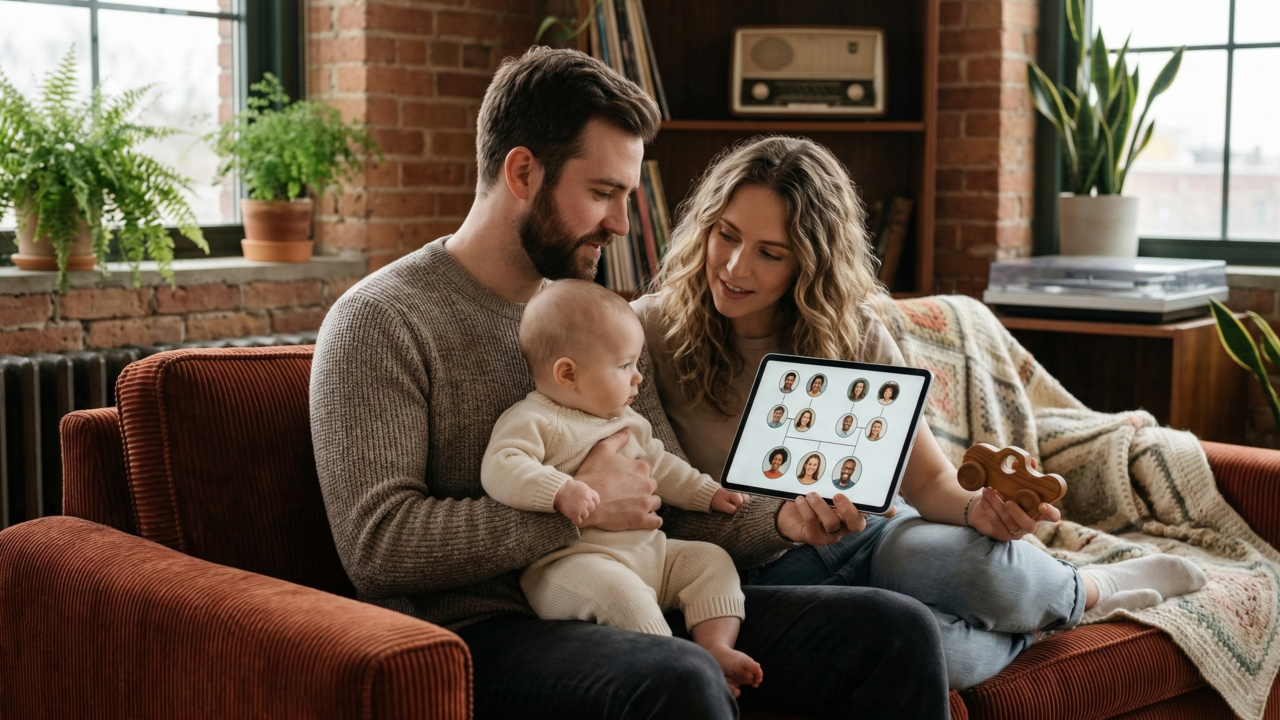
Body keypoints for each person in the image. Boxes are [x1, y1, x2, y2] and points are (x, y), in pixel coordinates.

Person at [312, 48, 950, 720]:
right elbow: (377, 545)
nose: (620, 224)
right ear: (523, 171)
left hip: (643, 593)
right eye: (603, 194)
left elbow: (666, 501)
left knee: (894, 631)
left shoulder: (595, 320)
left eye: (626, 197)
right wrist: (576, 509)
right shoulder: (380, 321)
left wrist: (784, 520)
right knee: (675, 677)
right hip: (484, 634)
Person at [631, 135, 1208, 690]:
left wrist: (980, 511)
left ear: (809, 264)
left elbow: (929, 481)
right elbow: (666, 514)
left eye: (769, 253)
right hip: (746, 577)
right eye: (725, 236)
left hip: (871, 537)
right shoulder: (642, 333)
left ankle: (1088, 590)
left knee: (980, 567)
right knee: (924, 647)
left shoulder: (851, 330)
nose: (733, 266)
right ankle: (1038, 627)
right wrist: (781, 523)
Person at [482, 279, 761, 693]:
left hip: (649, 557)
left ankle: (715, 647)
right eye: (625, 365)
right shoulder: (535, 419)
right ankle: (675, 668)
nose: (638, 379)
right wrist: (559, 489)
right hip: (571, 567)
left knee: (711, 560)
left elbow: (660, 466)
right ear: (568, 373)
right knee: (620, 592)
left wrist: (708, 493)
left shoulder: (626, 421)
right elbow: (502, 466)